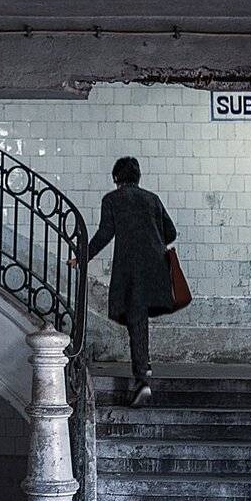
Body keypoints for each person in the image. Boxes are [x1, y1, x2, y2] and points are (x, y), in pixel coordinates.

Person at [69, 156, 177, 406]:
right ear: (138, 177)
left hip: (132, 271)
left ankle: (142, 379)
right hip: (156, 268)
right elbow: (170, 232)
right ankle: (144, 367)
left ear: (116, 178)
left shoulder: (112, 200)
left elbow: (105, 234)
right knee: (138, 320)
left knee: (136, 319)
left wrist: (81, 258)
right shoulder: (152, 199)